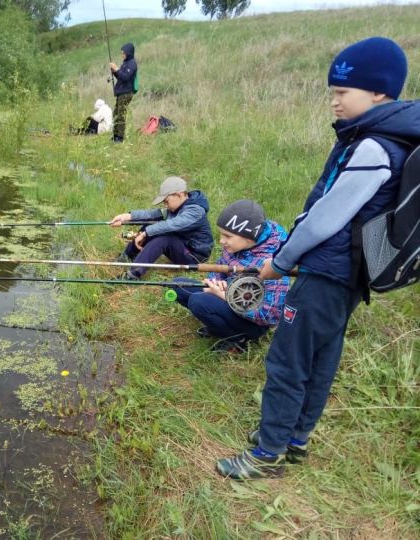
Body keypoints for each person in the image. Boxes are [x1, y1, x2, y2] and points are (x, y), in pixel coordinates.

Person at [216, 37, 420, 480]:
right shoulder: (392, 138)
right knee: (322, 357)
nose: (334, 101)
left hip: (324, 272)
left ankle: (267, 454)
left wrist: (281, 262)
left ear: (379, 92)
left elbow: (326, 219)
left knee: (288, 361)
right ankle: (294, 438)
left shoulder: (373, 147)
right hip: (349, 278)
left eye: (342, 92)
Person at [171, 200, 291, 354]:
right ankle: (217, 323)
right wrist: (214, 281)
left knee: (199, 301)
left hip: (253, 323)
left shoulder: (272, 261)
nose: (221, 241)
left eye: (227, 236)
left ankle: (238, 339)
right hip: (226, 295)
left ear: (249, 237)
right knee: (178, 285)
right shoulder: (238, 243)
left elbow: (267, 316)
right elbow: (219, 267)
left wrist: (223, 295)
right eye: (221, 234)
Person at [110, 176, 213, 279]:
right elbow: (153, 214)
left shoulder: (195, 211)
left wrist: (145, 233)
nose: (165, 205)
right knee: (151, 225)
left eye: (166, 201)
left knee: (163, 239)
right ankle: (127, 256)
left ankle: (131, 275)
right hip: (182, 244)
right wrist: (128, 216)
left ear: (179, 195)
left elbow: (171, 225)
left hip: (194, 256)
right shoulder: (178, 206)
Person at [110, 43, 138, 143]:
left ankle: (120, 138)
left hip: (126, 93)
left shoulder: (132, 63)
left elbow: (126, 77)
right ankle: (115, 135)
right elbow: (121, 78)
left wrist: (117, 69)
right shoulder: (125, 63)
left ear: (128, 53)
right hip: (121, 92)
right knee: (116, 114)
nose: (122, 55)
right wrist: (114, 71)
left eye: (123, 53)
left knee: (121, 114)